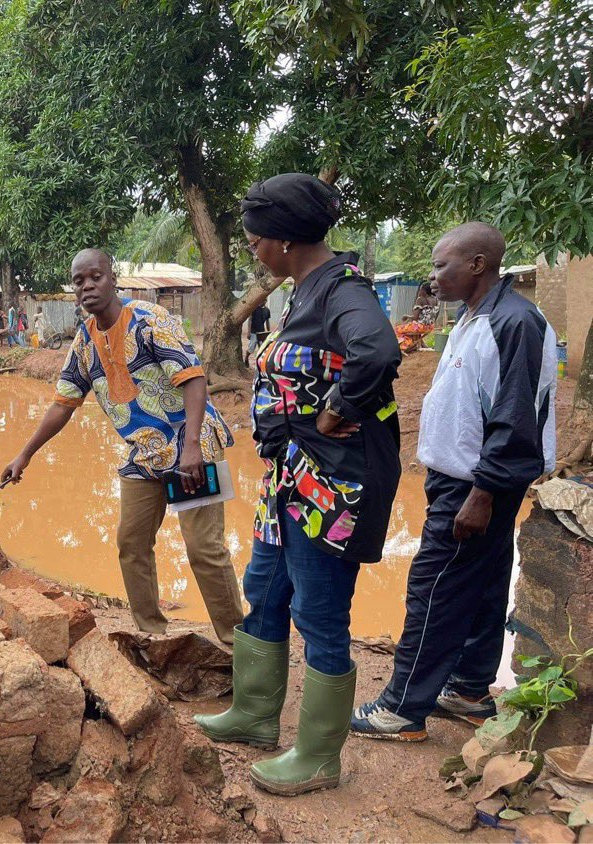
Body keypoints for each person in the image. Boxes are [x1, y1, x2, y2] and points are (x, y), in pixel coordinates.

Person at [194, 173, 401, 797]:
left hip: (331, 489)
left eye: (256, 240)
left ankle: (317, 756)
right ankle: (256, 716)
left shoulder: (343, 291)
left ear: (283, 241)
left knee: (320, 612)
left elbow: (378, 352)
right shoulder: (304, 291)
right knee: (266, 590)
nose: (252, 251)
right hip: (288, 481)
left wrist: (334, 412)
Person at [352, 223, 557, 741]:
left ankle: (401, 710)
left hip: (476, 486)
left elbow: (515, 418)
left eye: (442, 264)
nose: (433, 274)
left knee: (434, 590)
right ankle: (468, 689)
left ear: (478, 265)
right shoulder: (475, 317)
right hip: (463, 480)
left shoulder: (515, 323)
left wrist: (483, 493)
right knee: (484, 584)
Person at [1, 249, 244, 646]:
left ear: (112, 278)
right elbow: (63, 404)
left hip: (189, 447)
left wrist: (193, 446)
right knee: (131, 543)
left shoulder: (152, 321)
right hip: (144, 454)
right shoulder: (84, 340)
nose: (87, 286)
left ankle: (239, 646)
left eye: (94, 277)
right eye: (79, 281)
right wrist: (24, 454)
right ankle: (152, 635)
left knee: (204, 548)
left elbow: (193, 378)